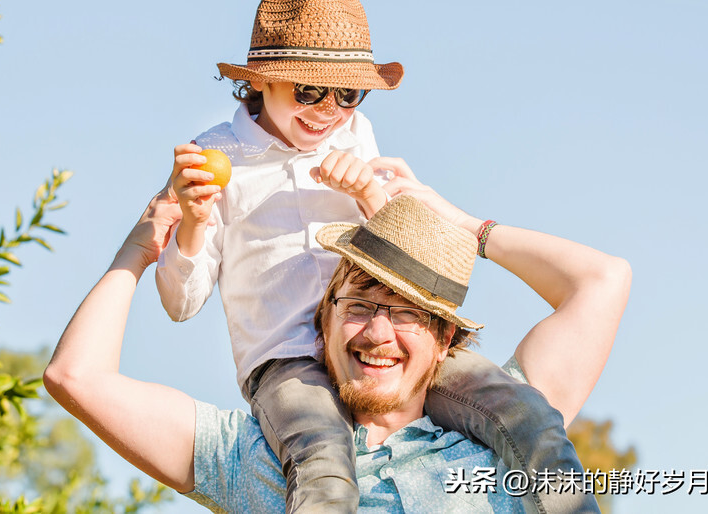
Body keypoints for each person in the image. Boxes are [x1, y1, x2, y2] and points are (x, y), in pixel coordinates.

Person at [157, 0, 591, 512]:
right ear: (261, 81)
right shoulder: (216, 157)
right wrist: (195, 222)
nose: (329, 110)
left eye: (348, 93)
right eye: (310, 90)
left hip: (386, 345)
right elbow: (180, 304)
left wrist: (368, 193)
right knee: (323, 469)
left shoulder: (354, 134)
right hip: (290, 359)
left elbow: (402, 257)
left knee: (529, 417)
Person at [43, 167, 631, 512]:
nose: (378, 333)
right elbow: (76, 378)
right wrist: (139, 252)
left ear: (446, 335)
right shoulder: (256, 457)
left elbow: (604, 280)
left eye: (407, 315)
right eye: (359, 306)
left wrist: (460, 227)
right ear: (322, 321)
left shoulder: (507, 426)